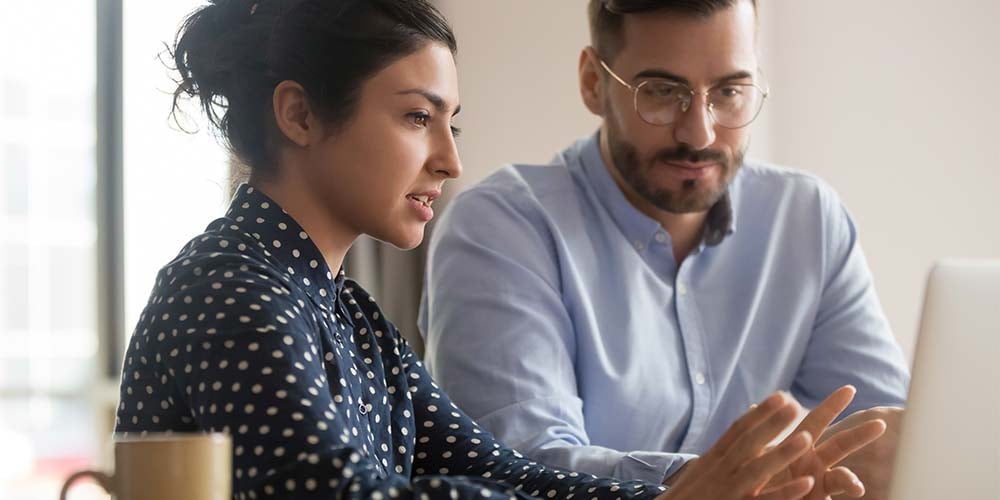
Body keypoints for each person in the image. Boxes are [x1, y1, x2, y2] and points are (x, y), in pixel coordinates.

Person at [113, 0, 887, 498]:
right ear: (300, 115)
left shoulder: (344, 310)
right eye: (418, 118)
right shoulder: (232, 290)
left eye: (453, 123)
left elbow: (497, 469)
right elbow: (341, 499)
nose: (449, 159)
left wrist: (672, 494)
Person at [419, 0, 910, 497]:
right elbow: (522, 469)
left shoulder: (806, 219)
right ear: (594, 82)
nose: (699, 132)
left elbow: (890, 441)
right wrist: (718, 482)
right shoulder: (500, 228)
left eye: (730, 91)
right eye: (661, 92)